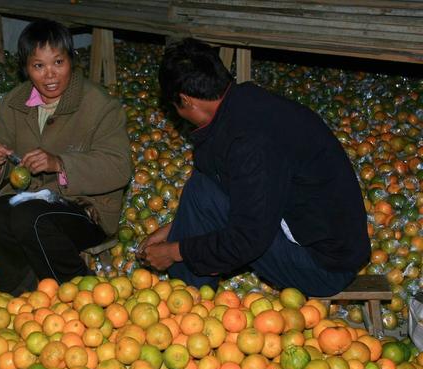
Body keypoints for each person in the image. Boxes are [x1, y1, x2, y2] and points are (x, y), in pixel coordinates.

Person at [138, 38, 370, 297]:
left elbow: (246, 240)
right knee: (202, 187)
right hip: (311, 234)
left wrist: (173, 252)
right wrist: (177, 229)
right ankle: (189, 298)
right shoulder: (245, 103)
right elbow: (236, 193)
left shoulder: (249, 144)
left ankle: (187, 305)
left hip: (323, 267)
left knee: (203, 197)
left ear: (186, 100)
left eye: (174, 106)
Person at [0, 20, 131, 296]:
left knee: (30, 219)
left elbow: (118, 167)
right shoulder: (14, 103)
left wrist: (59, 163)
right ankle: (21, 293)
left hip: (84, 208)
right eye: (39, 66)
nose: (50, 75)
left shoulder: (99, 105)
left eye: (58, 62)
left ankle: (79, 290)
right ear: (25, 69)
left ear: (72, 60)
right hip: (31, 201)